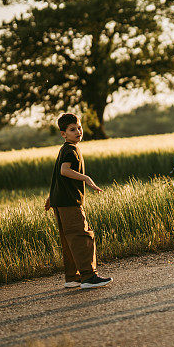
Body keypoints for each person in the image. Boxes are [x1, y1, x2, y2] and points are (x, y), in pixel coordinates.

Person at [44, 113, 113, 289]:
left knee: (69, 241)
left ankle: (73, 278)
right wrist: (86, 178)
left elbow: (57, 178)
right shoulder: (71, 150)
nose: (78, 132)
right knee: (82, 237)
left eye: (79, 128)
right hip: (70, 203)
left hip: (60, 202)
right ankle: (89, 277)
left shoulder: (64, 149)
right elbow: (64, 171)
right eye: (72, 129)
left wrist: (52, 197)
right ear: (63, 133)